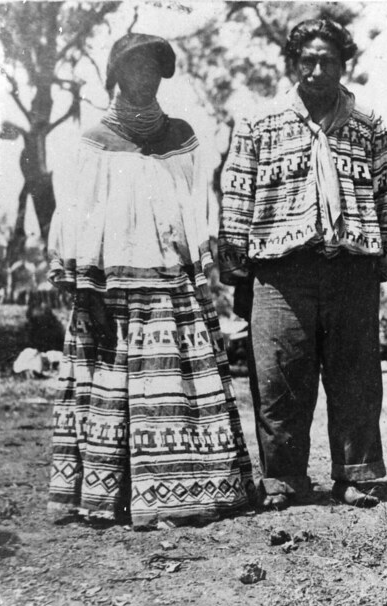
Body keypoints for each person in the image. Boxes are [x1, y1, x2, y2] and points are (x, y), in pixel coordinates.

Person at [47, 34, 254, 529]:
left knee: (177, 387)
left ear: (162, 76)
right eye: (132, 69)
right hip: (110, 289)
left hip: (172, 286)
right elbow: (75, 221)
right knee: (113, 386)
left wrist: (202, 267)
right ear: (115, 75)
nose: (142, 79)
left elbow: (199, 209)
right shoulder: (92, 142)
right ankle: (110, 494)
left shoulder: (182, 138)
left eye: (151, 70)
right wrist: (85, 291)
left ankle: (192, 489)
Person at [219, 18, 387, 509]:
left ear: (344, 64)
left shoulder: (368, 123)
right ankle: (283, 478)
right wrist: (235, 256)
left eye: (328, 60)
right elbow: (237, 189)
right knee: (280, 378)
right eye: (308, 60)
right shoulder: (259, 122)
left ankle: (357, 475)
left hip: (350, 268)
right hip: (281, 270)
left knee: (356, 377)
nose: (317, 69)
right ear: (293, 62)